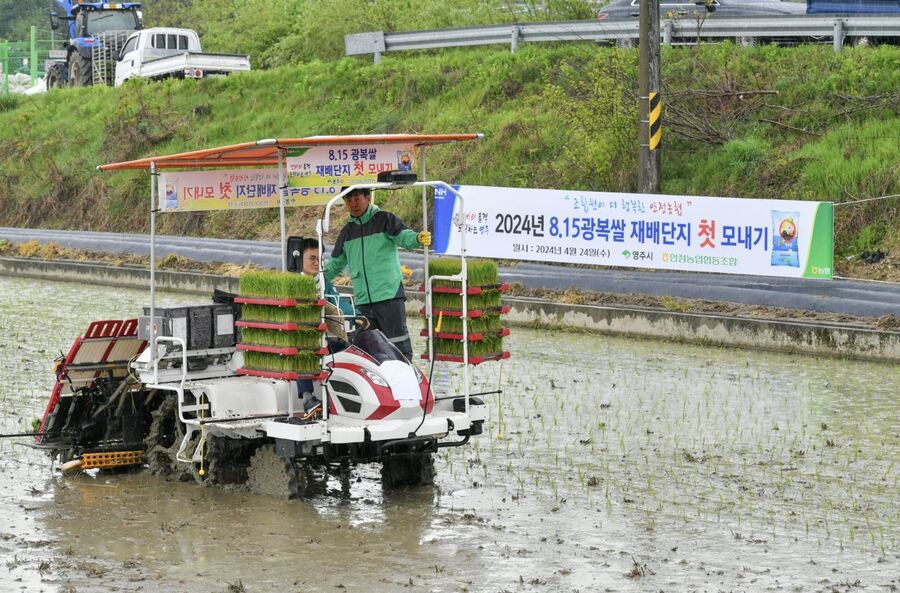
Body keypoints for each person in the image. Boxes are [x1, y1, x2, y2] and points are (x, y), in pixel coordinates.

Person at [323, 186, 431, 361]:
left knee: (397, 345)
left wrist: (418, 238)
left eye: (357, 199)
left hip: (388, 295)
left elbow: (404, 236)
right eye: (348, 201)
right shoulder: (347, 233)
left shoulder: (384, 219)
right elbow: (335, 264)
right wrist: (314, 277)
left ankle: (404, 381)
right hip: (363, 300)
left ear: (367, 197)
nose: (353, 204)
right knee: (366, 348)